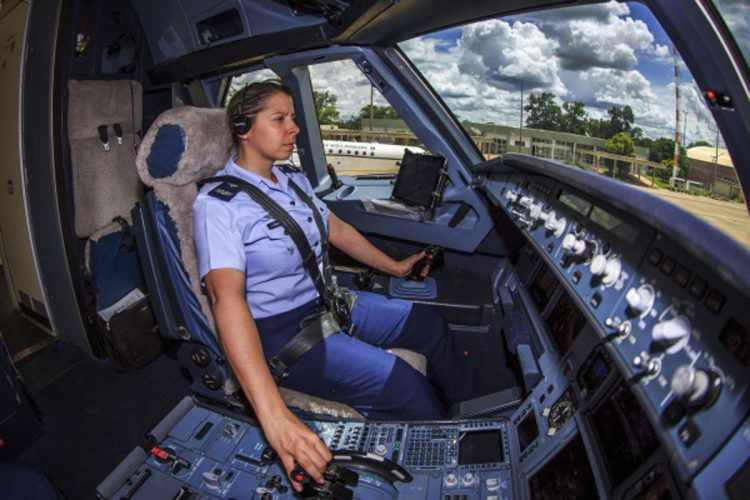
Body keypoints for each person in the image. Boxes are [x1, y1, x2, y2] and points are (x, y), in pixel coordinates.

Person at [193, 80, 481, 490]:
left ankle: (468, 417)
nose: (293, 128)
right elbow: (227, 301)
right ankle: (445, 475)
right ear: (243, 127)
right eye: (279, 119)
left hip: (327, 303)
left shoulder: (291, 179)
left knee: (428, 323)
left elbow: (338, 230)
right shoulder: (218, 206)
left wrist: (396, 268)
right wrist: (273, 415)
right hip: (283, 333)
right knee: (405, 385)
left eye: (293, 118)